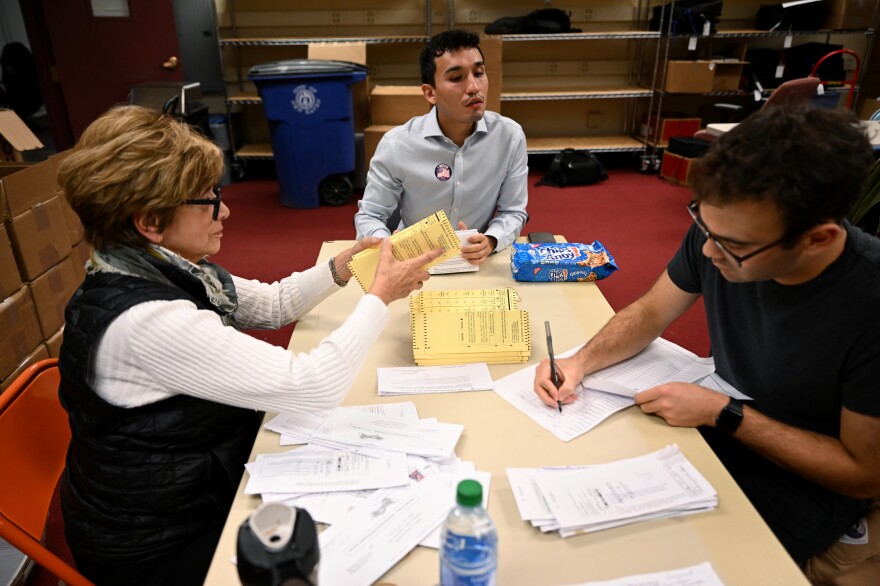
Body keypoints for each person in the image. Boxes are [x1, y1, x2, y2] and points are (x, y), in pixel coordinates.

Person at [56, 104, 442, 585]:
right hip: (156, 544)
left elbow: (275, 304)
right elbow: (311, 385)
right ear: (150, 222)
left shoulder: (153, 264)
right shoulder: (145, 320)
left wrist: (343, 267)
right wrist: (382, 294)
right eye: (208, 200)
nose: (227, 210)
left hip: (186, 490)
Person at [533, 105, 880, 567]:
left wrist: (727, 414)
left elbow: (863, 474)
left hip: (802, 482)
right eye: (703, 225)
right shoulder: (722, 231)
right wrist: (580, 362)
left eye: (733, 245)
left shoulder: (868, 303)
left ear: (817, 239)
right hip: (721, 422)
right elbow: (653, 311)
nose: (710, 250)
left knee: (665, 558)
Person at [354, 29, 528, 265]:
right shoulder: (397, 144)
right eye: (456, 78)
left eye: (479, 73)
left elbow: (513, 211)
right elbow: (370, 215)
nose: (474, 87)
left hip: (476, 261)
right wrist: (388, 249)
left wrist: (491, 240)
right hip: (413, 263)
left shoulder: (509, 137)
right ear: (430, 93)